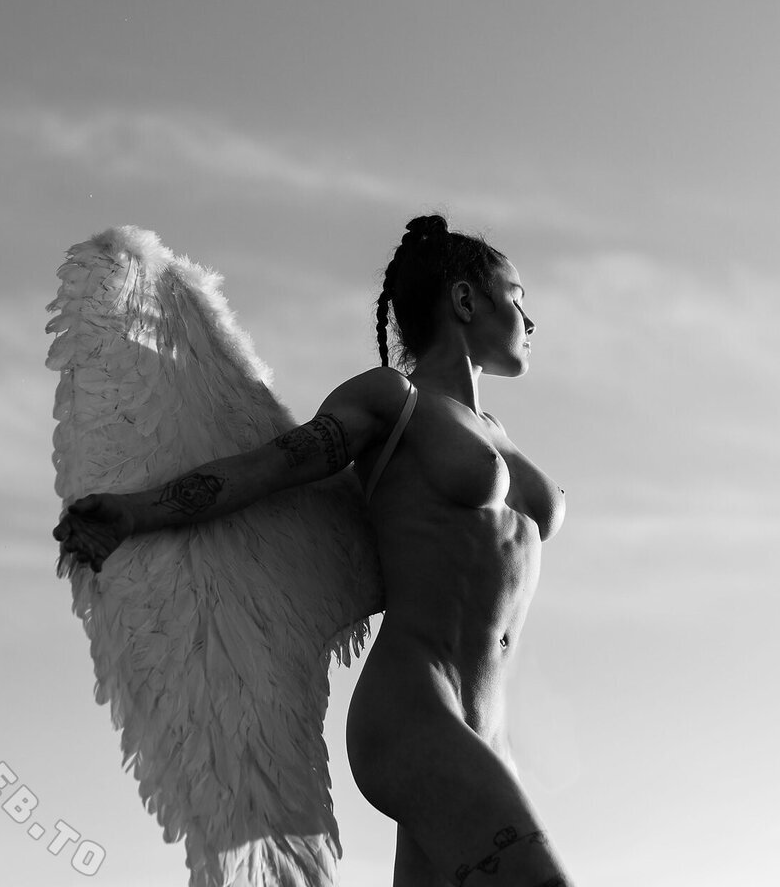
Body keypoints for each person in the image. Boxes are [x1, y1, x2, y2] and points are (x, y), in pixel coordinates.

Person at [53, 213, 573, 887]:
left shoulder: (498, 432)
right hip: (415, 712)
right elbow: (271, 467)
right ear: (466, 299)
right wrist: (137, 510)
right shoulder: (395, 402)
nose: (529, 319)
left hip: (487, 734)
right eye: (517, 296)